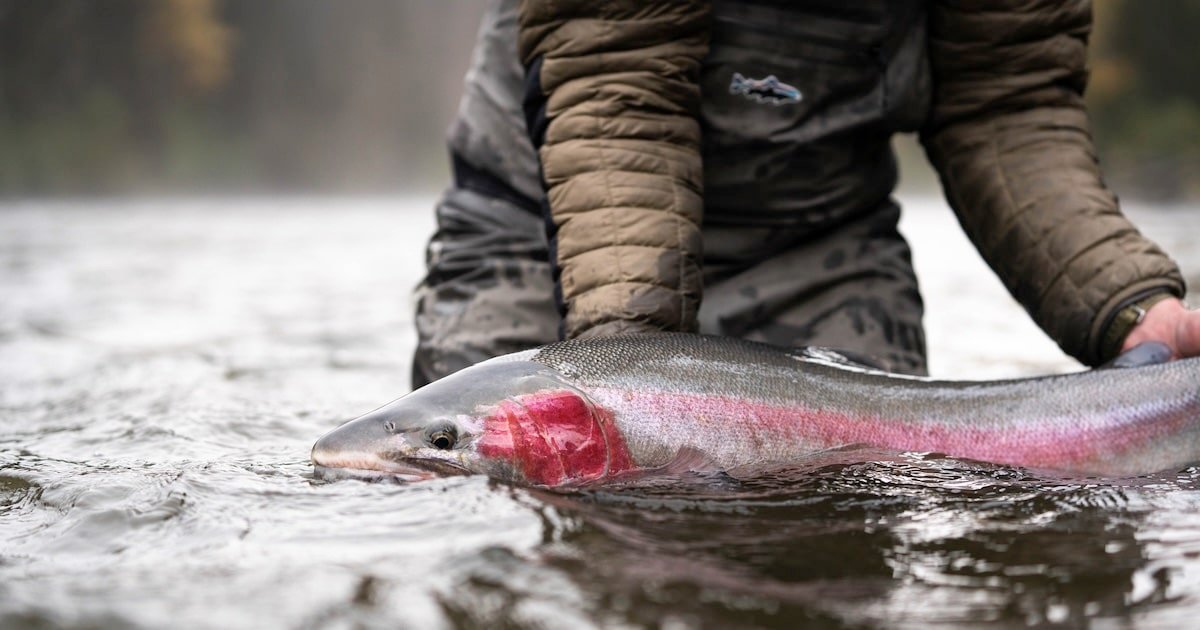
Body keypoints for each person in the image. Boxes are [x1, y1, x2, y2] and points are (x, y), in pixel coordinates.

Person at [411, 0, 1200, 388]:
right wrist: (633, 375)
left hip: (819, 233)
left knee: (842, 516)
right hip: (555, 209)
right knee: (487, 498)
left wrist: (1130, 306)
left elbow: (1007, 98)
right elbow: (620, 85)